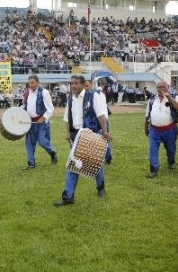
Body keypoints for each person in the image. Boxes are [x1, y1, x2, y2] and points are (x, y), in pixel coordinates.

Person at [53, 75, 112, 206]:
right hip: (75, 137)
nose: (73, 86)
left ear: (83, 84)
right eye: (72, 83)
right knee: (73, 166)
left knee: (96, 164)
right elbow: (67, 118)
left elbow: (101, 115)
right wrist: (68, 132)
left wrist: (105, 132)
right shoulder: (70, 99)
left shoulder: (93, 96)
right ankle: (68, 196)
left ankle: (101, 188)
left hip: (91, 136)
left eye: (76, 83)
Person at [145, 80, 178, 178]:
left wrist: (169, 97)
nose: (161, 89)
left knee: (171, 149)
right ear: (156, 88)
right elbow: (147, 114)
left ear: (168, 87)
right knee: (153, 149)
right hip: (154, 130)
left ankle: (171, 162)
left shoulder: (174, 97)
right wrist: (146, 127)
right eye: (159, 87)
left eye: (163, 87)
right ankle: (153, 170)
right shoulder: (152, 99)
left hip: (169, 129)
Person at [22, 75, 57, 169]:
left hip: (41, 122)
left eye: (33, 82)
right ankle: (31, 163)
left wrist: (43, 118)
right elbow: (24, 106)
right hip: (30, 122)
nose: (31, 84)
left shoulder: (44, 92)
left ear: (38, 82)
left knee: (42, 142)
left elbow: (50, 108)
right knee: (29, 142)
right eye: (29, 83)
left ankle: (53, 153)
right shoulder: (27, 93)